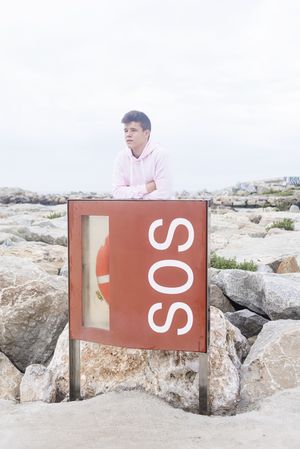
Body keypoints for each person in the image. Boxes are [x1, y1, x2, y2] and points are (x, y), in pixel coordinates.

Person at [112, 110, 172, 199]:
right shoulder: (121, 157)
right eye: (126, 130)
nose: (128, 134)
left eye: (133, 130)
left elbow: (164, 194)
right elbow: (117, 193)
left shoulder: (160, 154)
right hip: (132, 212)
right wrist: (147, 188)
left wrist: (133, 196)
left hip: (159, 212)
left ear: (146, 133)